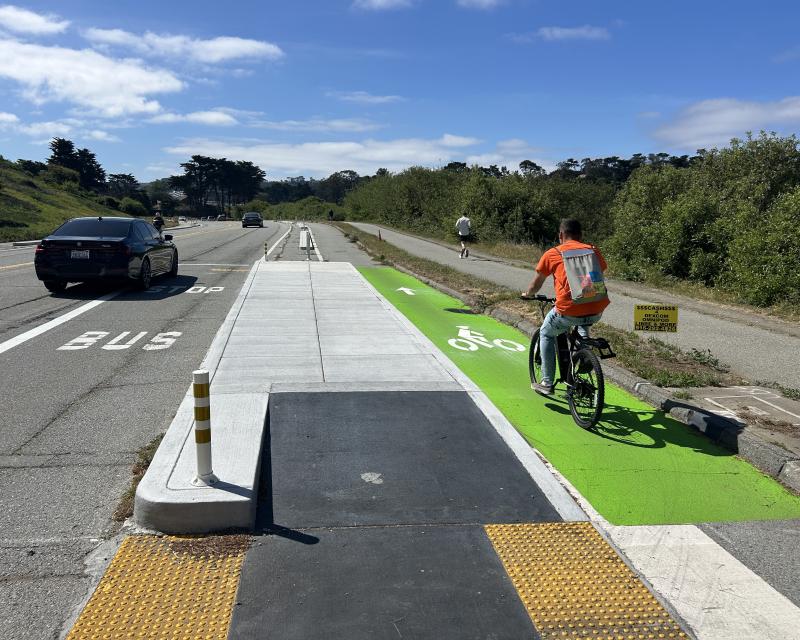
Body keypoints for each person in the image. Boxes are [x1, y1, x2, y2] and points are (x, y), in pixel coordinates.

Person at [522, 218, 610, 396]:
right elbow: (593, 274)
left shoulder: (553, 253)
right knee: (582, 321)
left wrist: (528, 294)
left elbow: (536, 284)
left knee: (546, 332)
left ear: (561, 235)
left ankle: (547, 382)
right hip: (597, 307)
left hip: (569, 310)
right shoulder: (593, 250)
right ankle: (584, 350)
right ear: (581, 235)